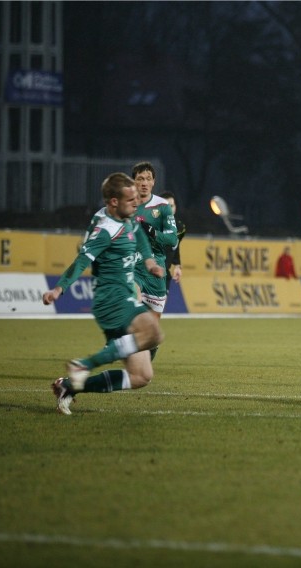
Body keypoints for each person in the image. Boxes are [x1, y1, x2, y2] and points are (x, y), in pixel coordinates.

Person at [42, 172, 165, 415]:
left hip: (125, 298)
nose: (136, 201)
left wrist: (150, 263)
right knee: (153, 332)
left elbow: (140, 238)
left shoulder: (128, 219)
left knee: (141, 376)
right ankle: (85, 364)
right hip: (111, 301)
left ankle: (69, 386)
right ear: (113, 202)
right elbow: (80, 261)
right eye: (130, 199)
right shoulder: (105, 229)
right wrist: (59, 288)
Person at [131, 162, 178, 323]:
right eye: (140, 179)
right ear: (134, 182)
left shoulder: (163, 206)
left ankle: (144, 347)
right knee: (132, 311)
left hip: (156, 269)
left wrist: (152, 232)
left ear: (153, 182)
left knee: (152, 333)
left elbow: (172, 240)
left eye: (148, 179)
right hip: (133, 267)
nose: (144, 183)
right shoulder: (126, 206)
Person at [159, 191, 186, 292]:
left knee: (159, 307)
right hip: (147, 275)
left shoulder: (180, 228)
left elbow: (175, 247)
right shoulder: (151, 226)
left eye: (171, 206)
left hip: (164, 276)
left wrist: (177, 265)